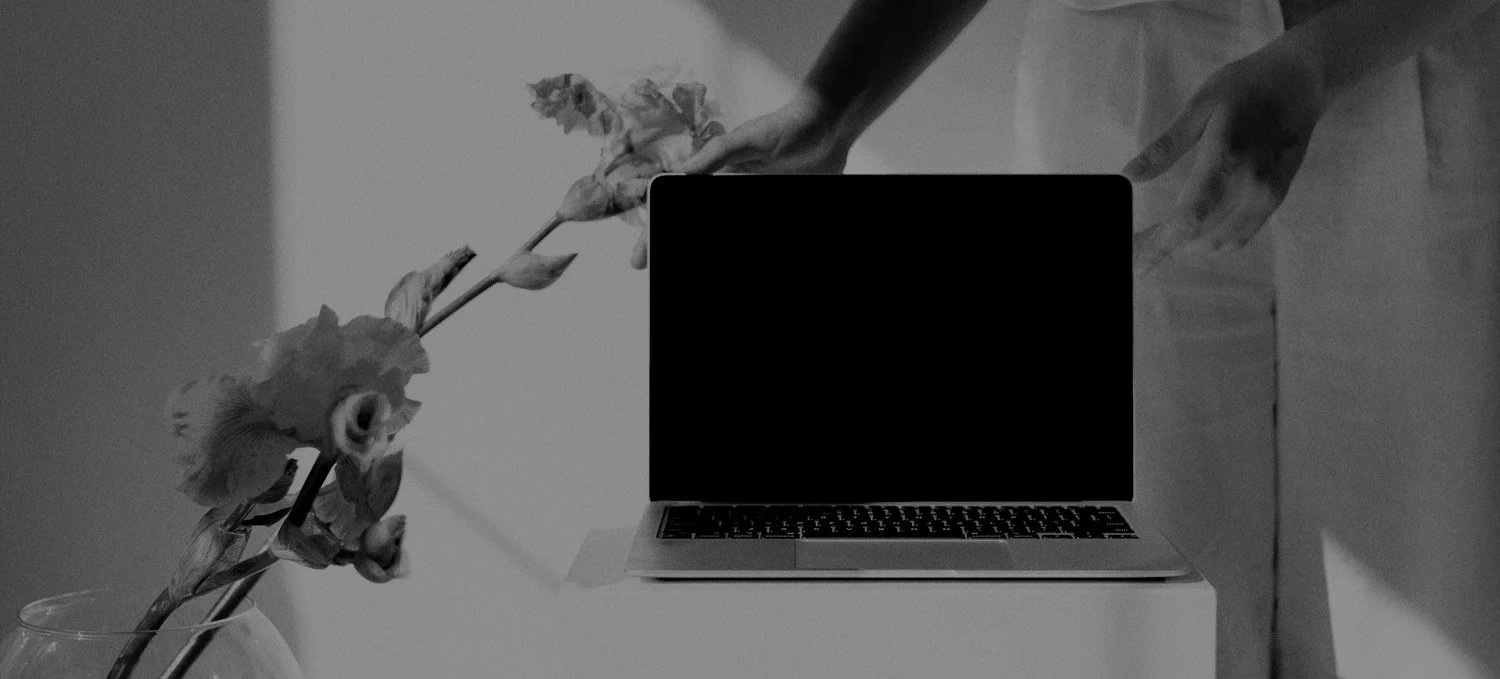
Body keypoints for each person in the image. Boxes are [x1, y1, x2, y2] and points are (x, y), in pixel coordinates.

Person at [680, 1, 1500, 678]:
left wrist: (1319, 61)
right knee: (1136, 621)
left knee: (1416, 622)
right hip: (1125, 79)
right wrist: (834, 104)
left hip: (1402, 54)